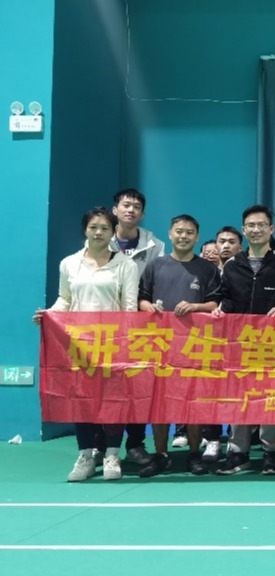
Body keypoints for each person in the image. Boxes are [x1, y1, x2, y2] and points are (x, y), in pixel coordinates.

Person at [33, 207, 139, 481]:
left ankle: (112, 454)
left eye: (105, 228)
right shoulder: (69, 263)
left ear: (113, 232)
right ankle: (85, 456)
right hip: (78, 344)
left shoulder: (126, 265)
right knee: (81, 400)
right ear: (85, 230)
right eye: (94, 227)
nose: (99, 232)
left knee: (114, 400)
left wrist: (125, 342)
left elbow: (129, 308)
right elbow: (65, 300)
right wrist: (48, 315)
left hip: (113, 344)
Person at [213, 205, 275, 475]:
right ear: (244, 230)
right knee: (240, 397)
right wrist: (221, 309)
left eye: (261, 225)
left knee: (271, 398)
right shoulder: (232, 265)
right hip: (239, 345)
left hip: (274, 345)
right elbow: (225, 298)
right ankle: (238, 453)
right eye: (251, 225)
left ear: (271, 229)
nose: (256, 229)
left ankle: (271, 453)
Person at [136, 214, 221, 477]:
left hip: (195, 345)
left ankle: (194, 454)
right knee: (160, 402)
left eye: (189, 232)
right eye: (179, 231)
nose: (184, 236)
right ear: (170, 234)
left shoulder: (207, 269)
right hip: (159, 345)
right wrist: (148, 307)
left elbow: (215, 304)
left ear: (197, 237)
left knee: (193, 401)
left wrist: (195, 306)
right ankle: (161, 455)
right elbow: (141, 299)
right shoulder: (155, 265)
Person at [109, 188, 165, 467]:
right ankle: (101, 447)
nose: (130, 210)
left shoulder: (156, 246)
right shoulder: (101, 239)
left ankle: (135, 444)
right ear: (115, 210)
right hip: (106, 329)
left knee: (137, 388)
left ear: (142, 214)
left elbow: (158, 285)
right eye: (126, 205)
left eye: (136, 207)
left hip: (141, 330)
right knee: (105, 388)